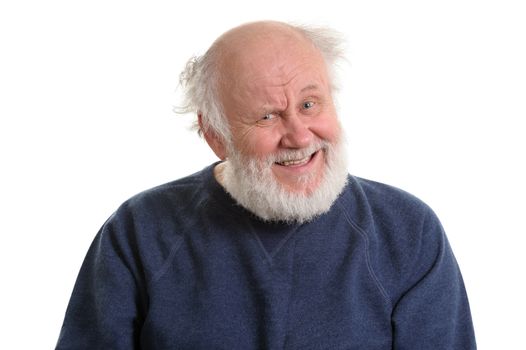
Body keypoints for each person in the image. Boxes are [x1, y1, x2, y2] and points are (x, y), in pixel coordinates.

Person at [56, 21, 476, 349]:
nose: (299, 136)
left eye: (310, 104)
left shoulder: (407, 231)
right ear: (215, 137)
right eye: (267, 116)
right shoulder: (140, 232)